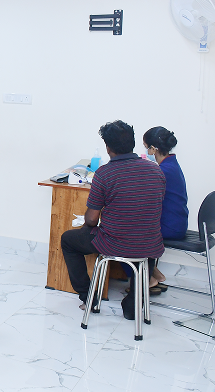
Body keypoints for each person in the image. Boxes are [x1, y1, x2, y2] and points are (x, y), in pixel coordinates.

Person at [61, 120, 166, 319]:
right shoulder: (156, 171)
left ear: (108, 148)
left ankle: (88, 297)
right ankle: (134, 303)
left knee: (68, 240)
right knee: (140, 245)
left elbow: (92, 220)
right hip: (150, 244)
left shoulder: (105, 174)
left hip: (115, 244)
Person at [144, 126, 188, 288]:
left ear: (153, 149)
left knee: (126, 233)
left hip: (171, 227)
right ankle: (153, 272)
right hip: (177, 222)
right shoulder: (171, 164)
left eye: (146, 147)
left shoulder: (163, 171)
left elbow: (147, 200)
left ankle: (148, 279)